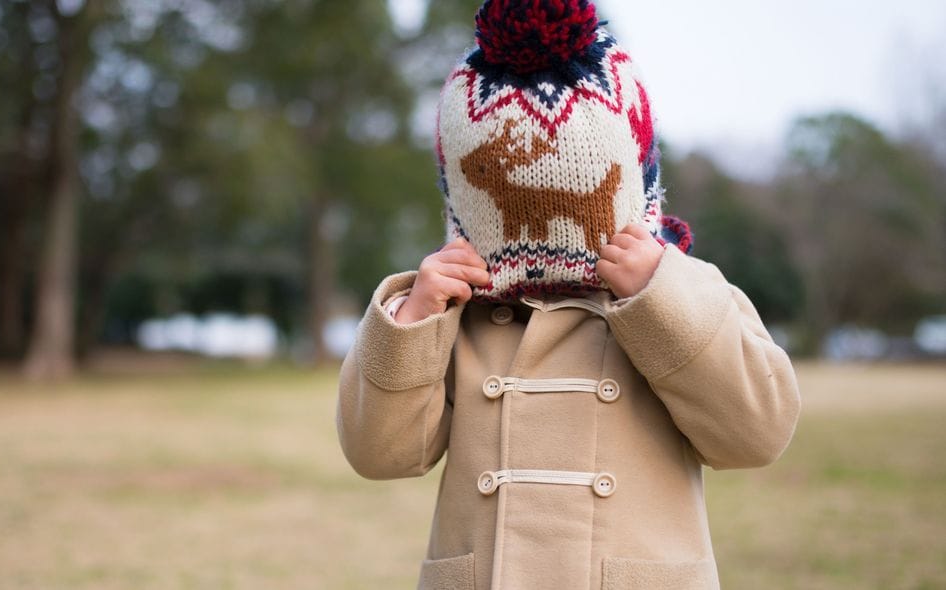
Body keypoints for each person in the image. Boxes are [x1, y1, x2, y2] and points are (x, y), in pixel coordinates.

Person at [336, 1, 801, 588]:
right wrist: (409, 321)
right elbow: (379, 455)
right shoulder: (452, 314)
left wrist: (661, 296)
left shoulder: (681, 293)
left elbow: (757, 434)